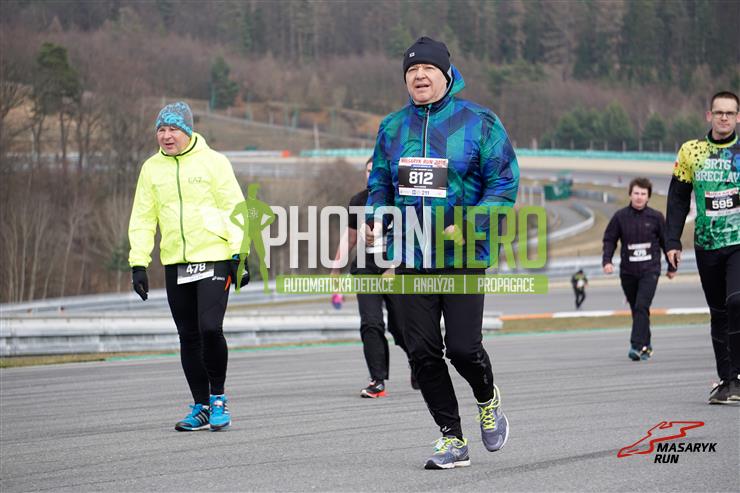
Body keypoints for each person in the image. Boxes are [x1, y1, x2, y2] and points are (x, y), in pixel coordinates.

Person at [365, 37, 519, 469]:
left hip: (462, 256)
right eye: (411, 71)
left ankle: (487, 399)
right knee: (423, 353)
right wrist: (376, 216)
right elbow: (379, 183)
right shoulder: (392, 128)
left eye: (428, 69)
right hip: (412, 256)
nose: (419, 76)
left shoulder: (480, 122)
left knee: (463, 349)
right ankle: (452, 438)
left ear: (447, 75)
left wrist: (468, 224)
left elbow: (504, 184)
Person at [128, 101, 248, 431]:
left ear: (188, 131)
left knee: (210, 328)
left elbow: (234, 208)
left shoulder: (214, 162)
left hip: (214, 256)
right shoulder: (151, 169)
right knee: (188, 336)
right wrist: (138, 263)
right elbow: (143, 218)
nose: (166, 136)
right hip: (176, 261)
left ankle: (219, 398)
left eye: (173, 129)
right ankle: (201, 405)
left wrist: (239, 255)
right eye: (161, 130)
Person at [666, 90, 740, 404]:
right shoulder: (691, 151)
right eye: (718, 112)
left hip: (738, 242)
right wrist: (672, 240)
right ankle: (728, 381)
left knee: (737, 301)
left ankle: (738, 375)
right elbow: (677, 199)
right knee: (719, 312)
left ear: (738, 117)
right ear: (709, 115)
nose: (724, 117)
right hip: (707, 244)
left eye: (730, 113)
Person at [330, 157, 415, 398]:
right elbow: (350, 238)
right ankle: (377, 381)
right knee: (371, 323)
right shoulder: (358, 201)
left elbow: (412, 239)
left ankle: (417, 361)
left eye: (375, 171)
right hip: (366, 269)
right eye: (368, 171)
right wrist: (336, 269)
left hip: (397, 268)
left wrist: (394, 268)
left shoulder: (401, 200)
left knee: (400, 327)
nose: (371, 175)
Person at [602, 177, 676, 361]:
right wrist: (607, 261)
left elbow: (667, 242)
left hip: (650, 270)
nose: (639, 197)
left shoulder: (656, 217)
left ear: (648, 196)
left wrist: (672, 266)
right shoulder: (620, 217)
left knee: (642, 305)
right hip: (628, 271)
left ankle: (635, 346)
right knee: (638, 310)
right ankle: (646, 345)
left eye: (643, 193)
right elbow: (609, 239)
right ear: (630, 194)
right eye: (636, 193)